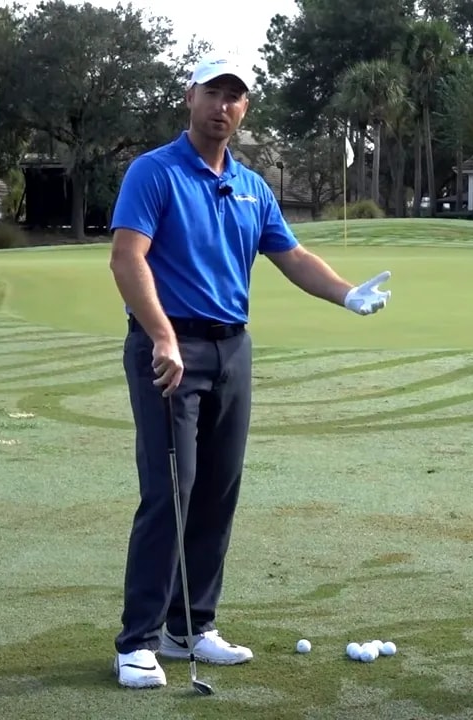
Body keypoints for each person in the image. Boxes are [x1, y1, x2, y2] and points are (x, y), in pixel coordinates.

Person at [107, 54, 393, 689]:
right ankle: (136, 642)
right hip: (168, 349)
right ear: (190, 95)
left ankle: (190, 628)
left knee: (217, 490)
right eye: (213, 91)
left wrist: (346, 293)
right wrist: (162, 335)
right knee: (170, 492)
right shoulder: (154, 172)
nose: (223, 105)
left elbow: (292, 255)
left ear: (245, 108)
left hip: (232, 351)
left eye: (234, 95)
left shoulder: (252, 186)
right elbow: (128, 259)